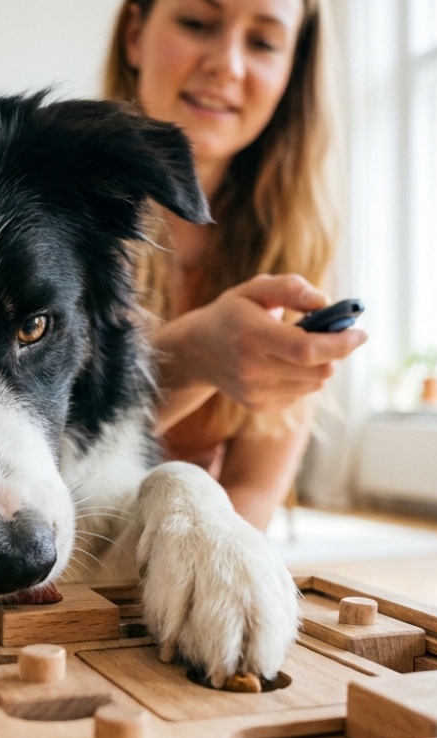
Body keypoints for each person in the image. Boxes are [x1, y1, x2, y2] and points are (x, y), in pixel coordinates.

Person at [103, 0, 367, 530]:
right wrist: (192, 358)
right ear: (134, 34)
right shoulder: (53, 213)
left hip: (194, 537)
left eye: (263, 42)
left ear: (292, 72)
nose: (227, 65)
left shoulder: (295, 243)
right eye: (197, 23)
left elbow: (254, 489)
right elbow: (45, 456)